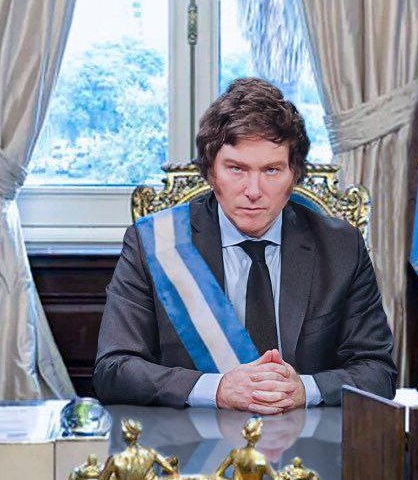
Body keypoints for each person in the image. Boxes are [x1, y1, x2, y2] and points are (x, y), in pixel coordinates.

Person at [93, 78, 397, 412]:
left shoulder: (341, 247)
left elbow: (378, 372)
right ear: (211, 173)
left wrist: (305, 389)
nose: (253, 190)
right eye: (236, 169)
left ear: (294, 175)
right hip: (192, 440)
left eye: (271, 170)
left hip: (306, 437)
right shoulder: (155, 242)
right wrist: (217, 388)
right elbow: (113, 370)